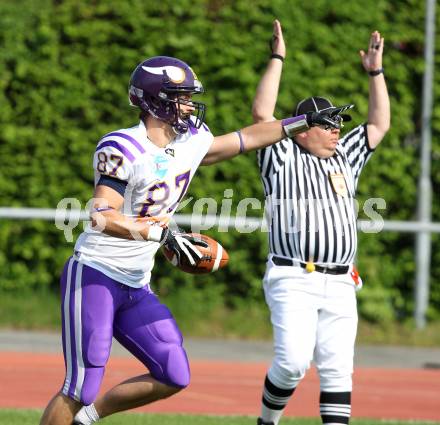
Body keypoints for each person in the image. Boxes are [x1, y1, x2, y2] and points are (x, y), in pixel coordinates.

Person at [39, 55, 340, 425]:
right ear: (155, 100)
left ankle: (88, 418)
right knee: (82, 384)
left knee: (174, 373)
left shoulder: (192, 139)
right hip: (96, 274)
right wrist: (158, 232)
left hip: (136, 282)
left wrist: (302, 122)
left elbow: (245, 139)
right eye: (180, 97)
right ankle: (81, 406)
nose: (188, 105)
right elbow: (102, 216)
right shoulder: (122, 147)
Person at [252, 21, 390, 425]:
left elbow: (379, 125)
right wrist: (278, 58)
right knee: (293, 362)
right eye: (328, 124)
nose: (337, 130)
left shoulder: (345, 153)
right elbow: (262, 114)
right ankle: (266, 421)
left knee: (336, 370)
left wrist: (375, 73)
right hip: (294, 276)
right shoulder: (282, 154)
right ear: (302, 129)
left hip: (342, 280)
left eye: (338, 123)